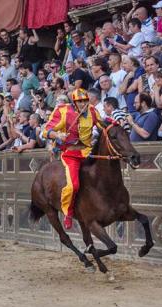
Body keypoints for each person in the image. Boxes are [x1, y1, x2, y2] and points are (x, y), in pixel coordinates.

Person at [42, 88, 102, 229]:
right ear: (74, 102)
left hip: (88, 152)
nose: (83, 104)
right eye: (79, 101)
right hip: (71, 154)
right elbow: (46, 131)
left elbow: (102, 125)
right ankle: (68, 213)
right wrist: (57, 135)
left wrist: (114, 124)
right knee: (72, 185)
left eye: (85, 101)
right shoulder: (63, 111)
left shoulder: (93, 111)